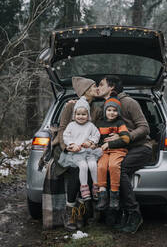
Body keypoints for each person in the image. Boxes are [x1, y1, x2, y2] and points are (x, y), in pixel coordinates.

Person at [97, 75, 152, 233]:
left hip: (141, 147)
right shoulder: (104, 105)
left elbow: (144, 128)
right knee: (106, 167)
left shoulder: (129, 102)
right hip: (116, 149)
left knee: (119, 170)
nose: (98, 87)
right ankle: (113, 212)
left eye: (101, 84)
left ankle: (134, 214)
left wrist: (124, 136)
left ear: (111, 87)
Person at [54, 76, 102, 231]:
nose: (97, 88)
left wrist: (93, 144)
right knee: (76, 169)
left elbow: (97, 133)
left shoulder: (97, 109)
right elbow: (62, 130)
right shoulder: (70, 106)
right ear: (86, 90)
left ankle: (82, 212)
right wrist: (68, 147)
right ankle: (70, 212)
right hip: (68, 149)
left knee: (88, 166)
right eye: (94, 86)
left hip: (87, 149)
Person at [58, 95, 102, 201]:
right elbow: (66, 136)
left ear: (88, 115)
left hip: (88, 151)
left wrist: (91, 141)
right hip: (76, 153)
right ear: (74, 114)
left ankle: (96, 186)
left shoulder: (90, 125)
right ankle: (84, 188)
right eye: (78, 114)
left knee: (92, 165)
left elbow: (96, 134)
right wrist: (72, 144)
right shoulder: (71, 125)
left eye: (83, 114)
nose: (80, 116)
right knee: (83, 166)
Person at [96, 92, 130, 211]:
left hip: (118, 151)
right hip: (104, 151)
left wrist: (109, 144)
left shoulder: (120, 123)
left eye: (114, 110)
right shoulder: (100, 124)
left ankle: (114, 195)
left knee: (113, 165)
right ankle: (102, 195)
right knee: (101, 166)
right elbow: (96, 139)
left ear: (118, 112)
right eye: (109, 110)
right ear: (105, 111)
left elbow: (126, 139)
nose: (112, 113)